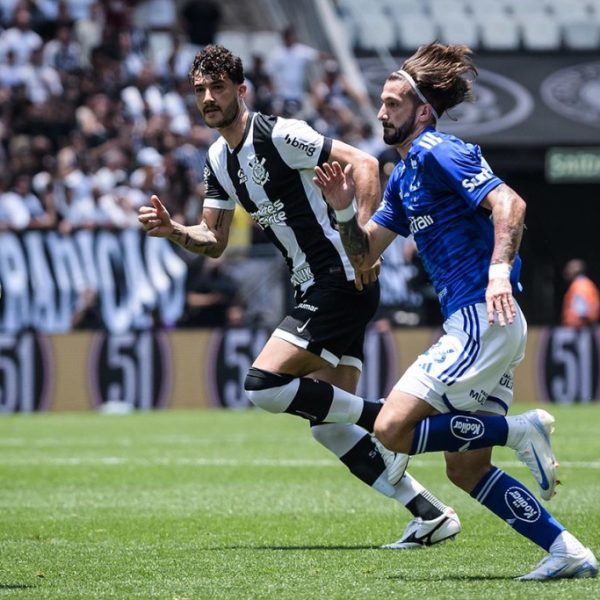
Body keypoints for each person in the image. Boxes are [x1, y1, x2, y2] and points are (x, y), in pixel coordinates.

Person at [139, 44, 461, 549]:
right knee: (328, 424)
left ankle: (386, 418)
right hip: (318, 285)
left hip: (338, 278)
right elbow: (215, 240)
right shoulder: (219, 159)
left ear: (240, 91)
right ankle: (429, 513)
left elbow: (365, 165)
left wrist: (364, 247)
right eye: (200, 90)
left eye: (217, 87)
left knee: (263, 383)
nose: (208, 98)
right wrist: (174, 229)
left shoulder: (278, 133)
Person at [314, 42, 598, 580]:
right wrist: (346, 211)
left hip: (479, 317)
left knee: (393, 429)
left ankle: (516, 431)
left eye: (393, 103)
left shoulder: (437, 151)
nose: (381, 112)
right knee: (466, 470)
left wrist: (497, 270)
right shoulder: (402, 177)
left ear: (422, 110)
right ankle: (567, 550)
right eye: (381, 102)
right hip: (482, 325)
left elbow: (510, 203)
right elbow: (364, 257)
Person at [561, 259, 600, 328]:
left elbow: (581, 310)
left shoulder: (578, 286)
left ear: (575, 271)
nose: (566, 272)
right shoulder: (587, 284)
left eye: (569, 269)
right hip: (587, 325)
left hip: (579, 327)